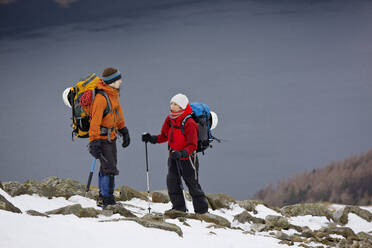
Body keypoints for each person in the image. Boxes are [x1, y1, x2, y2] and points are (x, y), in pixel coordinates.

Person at [142, 93, 209, 214]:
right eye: (171, 103)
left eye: (175, 104)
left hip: (188, 159)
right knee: (172, 182)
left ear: (182, 106)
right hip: (173, 157)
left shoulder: (190, 123)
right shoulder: (170, 119)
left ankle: (202, 212)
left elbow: (192, 146)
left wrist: (182, 153)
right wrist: (151, 138)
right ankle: (179, 209)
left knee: (192, 185)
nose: (172, 106)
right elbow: (164, 136)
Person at [88, 67, 130, 207]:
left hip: (111, 137)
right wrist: (94, 142)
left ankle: (104, 196)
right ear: (111, 82)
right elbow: (95, 122)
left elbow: (118, 113)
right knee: (110, 168)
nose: (121, 81)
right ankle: (107, 199)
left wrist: (123, 130)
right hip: (101, 139)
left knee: (107, 167)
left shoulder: (113, 94)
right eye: (118, 79)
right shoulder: (101, 98)